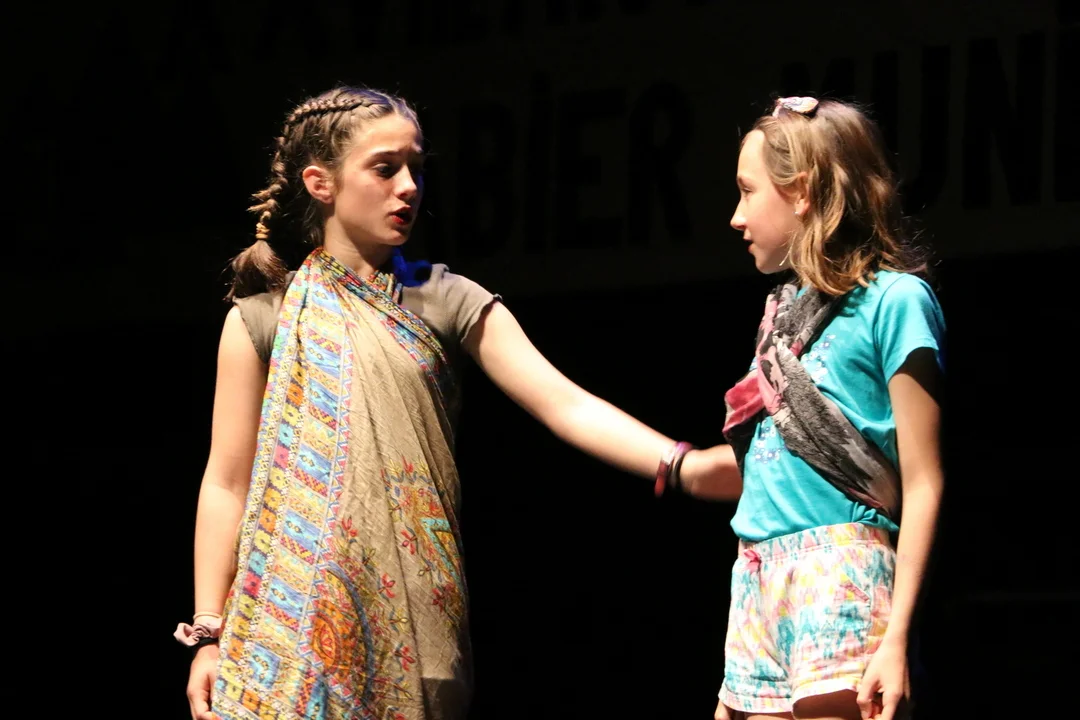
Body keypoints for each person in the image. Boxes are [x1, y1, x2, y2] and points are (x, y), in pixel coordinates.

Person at [174, 85, 738, 720]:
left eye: (416, 167)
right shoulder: (262, 320)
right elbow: (226, 482)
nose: (409, 187)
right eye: (384, 168)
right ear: (320, 183)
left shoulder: (446, 300)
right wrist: (209, 630)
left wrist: (683, 466)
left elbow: (563, 403)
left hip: (415, 623)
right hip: (282, 639)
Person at [704, 97, 946, 720]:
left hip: (839, 574)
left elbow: (923, 480)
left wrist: (896, 637)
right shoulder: (782, 317)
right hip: (757, 575)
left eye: (748, 191)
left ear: (803, 192)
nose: (736, 216)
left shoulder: (896, 301)